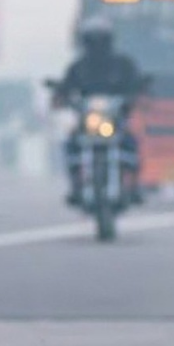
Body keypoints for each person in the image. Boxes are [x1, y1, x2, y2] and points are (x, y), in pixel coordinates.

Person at [54, 16, 145, 205]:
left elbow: (137, 85)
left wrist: (136, 96)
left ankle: (134, 187)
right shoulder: (78, 67)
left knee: (131, 144)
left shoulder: (122, 64)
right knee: (71, 145)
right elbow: (64, 89)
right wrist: (61, 97)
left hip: (115, 120)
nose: (97, 46)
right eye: (92, 40)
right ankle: (76, 186)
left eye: (101, 40)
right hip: (87, 121)